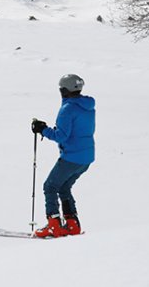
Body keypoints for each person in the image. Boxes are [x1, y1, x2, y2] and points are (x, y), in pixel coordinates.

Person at [31, 74, 95, 238]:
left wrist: (42, 129)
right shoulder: (88, 107)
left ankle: (54, 225)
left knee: (50, 186)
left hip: (72, 157)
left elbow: (61, 136)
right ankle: (72, 224)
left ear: (65, 90)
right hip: (86, 157)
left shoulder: (68, 109)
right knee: (64, 187)